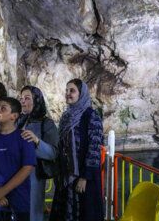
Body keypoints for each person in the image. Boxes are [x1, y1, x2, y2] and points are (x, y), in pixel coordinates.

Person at [49, 79, 104, 221]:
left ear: (82, 94)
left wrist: (84, 177)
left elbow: (94, 149)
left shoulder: (91, 116)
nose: (67, 94)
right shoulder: (66, 116)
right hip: (66, 177)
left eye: (72, 91)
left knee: (84, 213)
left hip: (83, 177)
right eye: (66, 90)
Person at [0, 97, 36, 221]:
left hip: (19, 200)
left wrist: (3, 191)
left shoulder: (24, 138)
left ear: (14, 116)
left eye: (3, 108)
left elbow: (27, 167)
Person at [17, 86, 59, 221]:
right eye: (21, 98)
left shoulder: (47, 123)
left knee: (32, 213)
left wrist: (37, 141)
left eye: (27, 98)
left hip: (33, 178)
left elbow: (53, 152)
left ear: (37, 101)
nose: (22, 101)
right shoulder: (19, 120)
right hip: (14, 175)